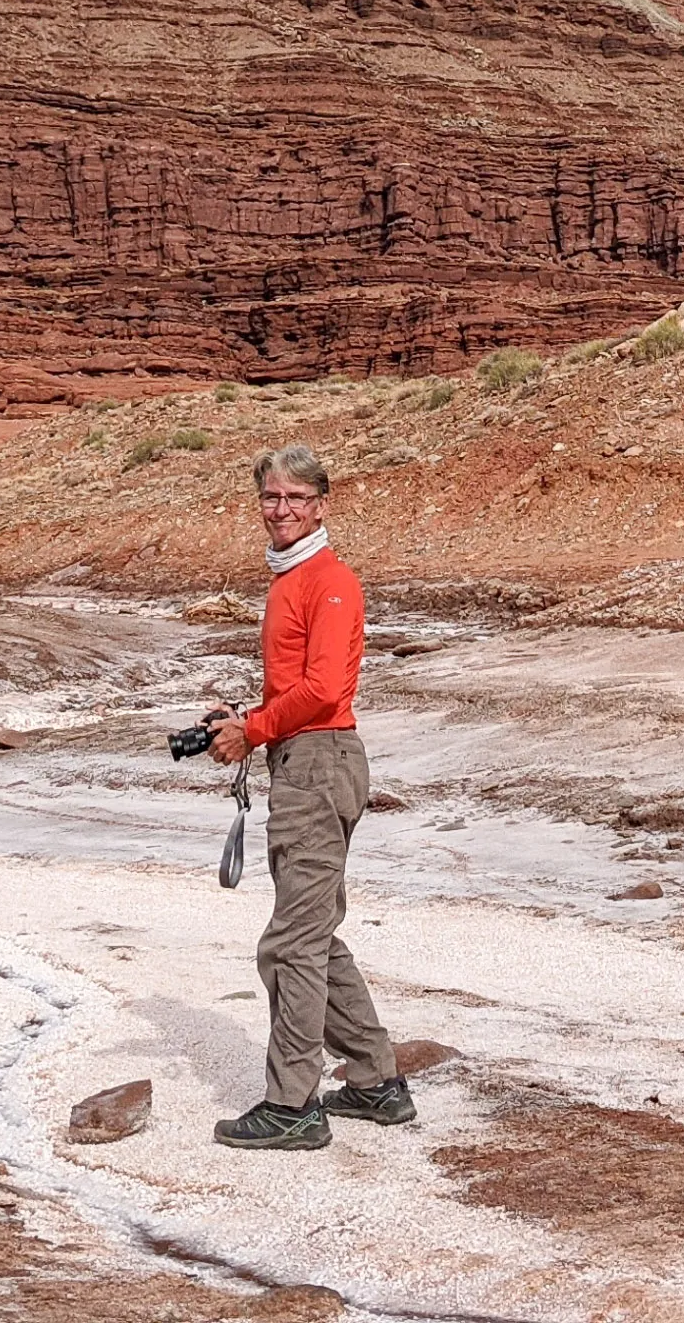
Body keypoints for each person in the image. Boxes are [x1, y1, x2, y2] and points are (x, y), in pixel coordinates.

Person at [204, 443, 411, 1151]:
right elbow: (301, 686)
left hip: (318, 766)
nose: (282, 510)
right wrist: (246, 726)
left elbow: (324, 690)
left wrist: (253, 729)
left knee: (288, 946)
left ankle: (292, 1104)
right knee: (312, 936)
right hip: (307, 762)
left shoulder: (329, 581)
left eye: (296, 498)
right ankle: (377, 1082)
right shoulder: (292, 579)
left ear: (321, 504)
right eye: (271, 498)